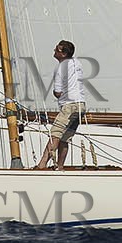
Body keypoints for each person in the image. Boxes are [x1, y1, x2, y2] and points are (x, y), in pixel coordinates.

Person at [35, 39, 84, 169]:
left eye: (57, 49)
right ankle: (60, 166)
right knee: (65, 138)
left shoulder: (60, 67)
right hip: (81, 105)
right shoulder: (77, 62)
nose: (54, 51)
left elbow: (58, 92)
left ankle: (42, 165)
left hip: (69, 105)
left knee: (55, 134)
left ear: (63, 54)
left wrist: (55, 93)